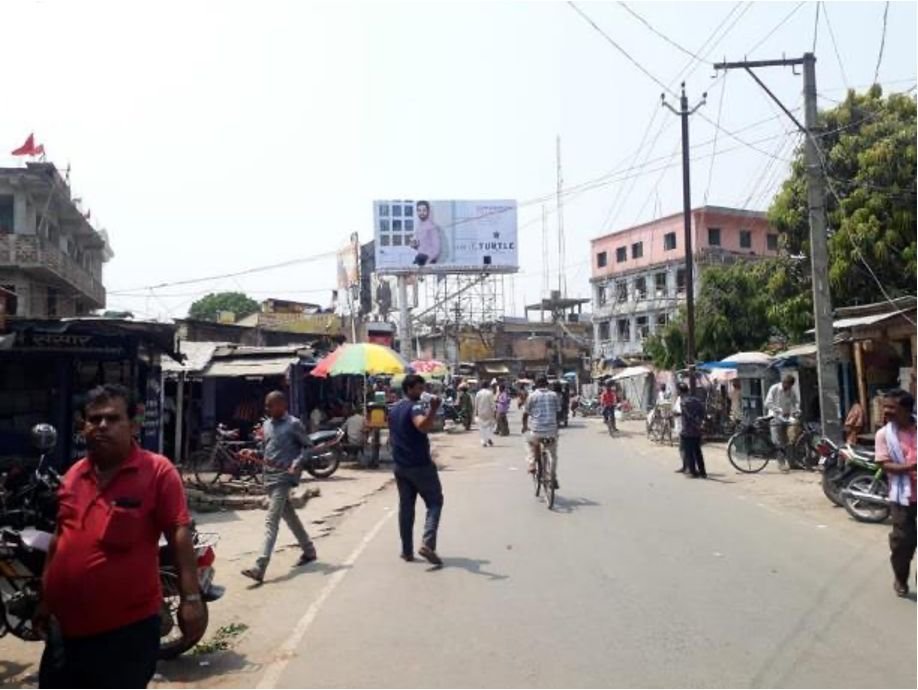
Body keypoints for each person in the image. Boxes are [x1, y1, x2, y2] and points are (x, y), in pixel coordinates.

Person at [37, 384, 204, 688]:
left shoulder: (157, 471)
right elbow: (59, 540)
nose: (102, 426)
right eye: (94, 419)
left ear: (133, 425)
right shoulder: (74, 475)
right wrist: (46, 600)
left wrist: (191, 599)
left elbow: (179, 532)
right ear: (83, 427)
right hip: (66, 629)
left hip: (126, 632)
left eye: (113, 418)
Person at [241, 391, 319, 584]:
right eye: (266, 405)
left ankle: (259, 567)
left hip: (284, 478)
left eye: (271, 405)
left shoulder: (293, 424)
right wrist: (252, 452)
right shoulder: (267, 425)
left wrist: (297, 462)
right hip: (269, 477)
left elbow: (309, 447)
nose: (267, 409)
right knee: (290, 516)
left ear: (283, 405)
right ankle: (309, 550)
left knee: (271, 521)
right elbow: (266, 449)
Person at [388, 374, 444, 566]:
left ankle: (407, 551)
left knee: (406, 508)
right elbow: (422, 426)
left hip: (400, 466)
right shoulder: (415, 407)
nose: (422, 392)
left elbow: (393, 436)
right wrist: (433, 410)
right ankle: (427, 543)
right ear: (409, 389)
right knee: (435, 502)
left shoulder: (394, 409)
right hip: (419, 465)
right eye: (419, 388)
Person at [874, 390, 917, 597]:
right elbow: (884, 464)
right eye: (885, 407)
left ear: (907, 410)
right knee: (903, 542)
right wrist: (911, 467)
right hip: (902, 497)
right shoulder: (884, 434)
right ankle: (900, 577)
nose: (886, 411)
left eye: (892, 407)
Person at [523, 376, 561, 488]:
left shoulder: (532, 396)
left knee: (528, 441)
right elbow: (558, 412)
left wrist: (524, 426)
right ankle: (553, 477)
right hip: (551, 431)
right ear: (547, 384)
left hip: (537, 430)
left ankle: (531, 464)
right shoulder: (554, 395)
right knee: (553, 455)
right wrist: (556, 426)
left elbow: (525, 413)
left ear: (536, 385)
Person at [764, 375, 799, 472]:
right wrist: (779, 410)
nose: (787, 387)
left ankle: (792, 462)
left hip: (787, 419)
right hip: (775, 417)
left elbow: (795, 402)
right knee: (778, 442)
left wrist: (796, 410)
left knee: (789, 440)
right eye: (786, 384)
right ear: (783, 382)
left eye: (789, 386)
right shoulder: (774, 388)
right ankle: (781, 463)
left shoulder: (791, 391)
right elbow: (767, 403)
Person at [676, 382, 707, 478]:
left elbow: (687, 416)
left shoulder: (683, 403)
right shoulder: (697, 400)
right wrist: (699, 423)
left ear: (680, 391)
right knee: (698, 452)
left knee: (689, 452)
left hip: (687, 430)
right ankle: (703, 472)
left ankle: (693, 472)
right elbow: (703, 413)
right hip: (697, 429)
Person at [410, 200, 442, 267]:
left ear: (428, 211)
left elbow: (437, 249)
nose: (421, 213)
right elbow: (422, 247)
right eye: (419, 210)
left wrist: (428, 262)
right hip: (420, 259)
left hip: (429, 261)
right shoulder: (419, 227)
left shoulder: (432, 227)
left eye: (424, 210)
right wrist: (414, 245)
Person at [475, 383, 497, 447]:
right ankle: (488, 438)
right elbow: (492, 403)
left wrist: (476, 412)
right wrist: (494, 411)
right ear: (488, 386)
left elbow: (476, 403)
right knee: (489, 426)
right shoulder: (490, 393)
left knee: (482, 427)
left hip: (480, 412)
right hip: (489, 412)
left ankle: (483, 441)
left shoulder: (478, 393)